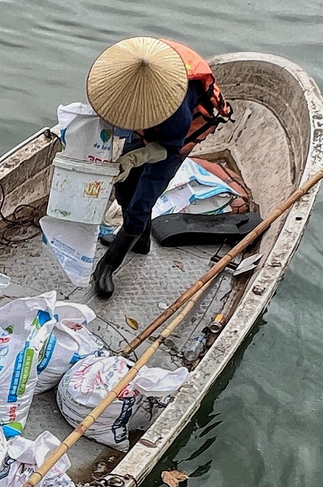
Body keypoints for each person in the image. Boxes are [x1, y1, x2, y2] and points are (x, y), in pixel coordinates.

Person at [83, 37, 234, 299]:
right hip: (146, 126)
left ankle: (107, 265)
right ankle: (139, 240)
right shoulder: (131, 74)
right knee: (125, 187)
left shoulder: (178, 115)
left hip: (169, 146)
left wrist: (135, 158)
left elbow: (166, 149)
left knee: (143, 199)